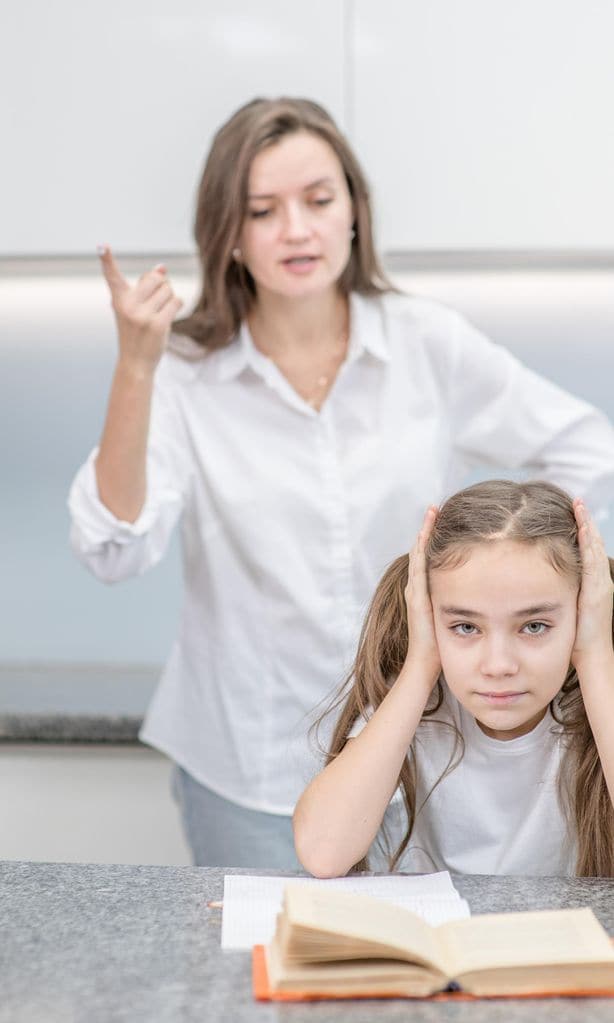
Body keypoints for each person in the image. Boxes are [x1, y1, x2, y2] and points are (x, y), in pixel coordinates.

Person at [69, 96, 614, 869]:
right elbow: (112, 546)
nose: (297, 229)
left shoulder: (425, 343)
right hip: (249, 763)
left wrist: (509, 575)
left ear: (355, 210)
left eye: (319, 201)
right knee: (258, 981)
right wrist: (137, 366)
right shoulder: (186, 376)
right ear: (227, 232)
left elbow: (586, 446)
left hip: (426, 747)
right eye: (263, 210)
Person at [293, 479, 614, 878]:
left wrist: (596, 655)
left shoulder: (600, 696)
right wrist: (421, 664)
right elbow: (323, 853)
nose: (498, 665)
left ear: (586, 614)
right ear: (429, 618)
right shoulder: (419, 704)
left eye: (534, 626)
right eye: (465, 627)